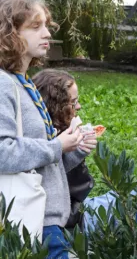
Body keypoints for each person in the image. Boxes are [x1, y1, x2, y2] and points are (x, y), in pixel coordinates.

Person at [0, 0, 91, 259]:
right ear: (9, 33)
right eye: (35, 26)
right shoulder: (3, 85)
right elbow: (3, 152)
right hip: (31, 224)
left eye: (47, 26)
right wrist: (56, 146)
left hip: (48, 221)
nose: (48, 33)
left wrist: (73, 149)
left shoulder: (22, 83)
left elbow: (41, 164)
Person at [33, 69, 96, 233]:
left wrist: (79, 150)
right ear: (56, 105)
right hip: (58, 221)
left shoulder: (62, 133)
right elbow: (55, 180)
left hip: (69, 216)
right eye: (73, 102)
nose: (79, 107)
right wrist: (66, 148)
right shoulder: (44, 138)